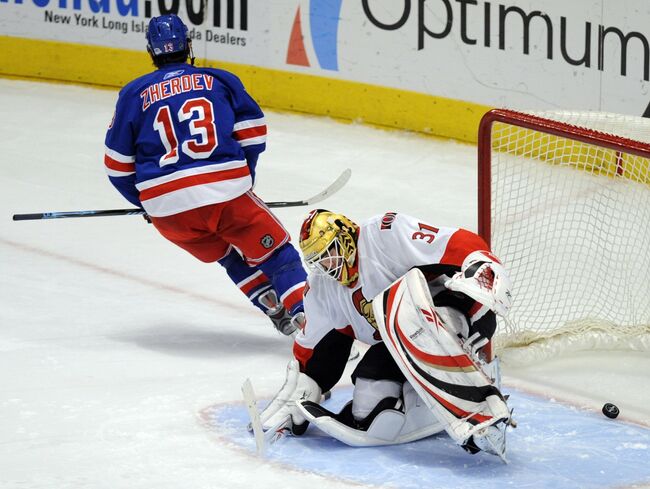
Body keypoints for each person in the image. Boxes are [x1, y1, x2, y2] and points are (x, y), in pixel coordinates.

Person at [104, 15, 306, 335]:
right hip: (226, 195)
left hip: (168, 212)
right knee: (277, 253)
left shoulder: (132, 94)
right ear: (188, 45)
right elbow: (253, 134)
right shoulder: (220, 80)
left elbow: (117, 167)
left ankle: (269, 303)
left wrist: (147, 204)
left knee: (226, 255)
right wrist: (244, 180)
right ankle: (312, 323)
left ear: (151, 51)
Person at [257, 210, 515, 459]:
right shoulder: (322, 287)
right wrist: (304, 386)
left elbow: (453, 241)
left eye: (329, 254)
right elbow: (313, 347)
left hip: (459, 314)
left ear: (345, 238)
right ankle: (423, 402)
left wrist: (481, 264)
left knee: (405, 314)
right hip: (401, 343)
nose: (326, 266)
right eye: (318, 261)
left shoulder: (384, 234)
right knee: (367, 406)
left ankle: (482, 411)